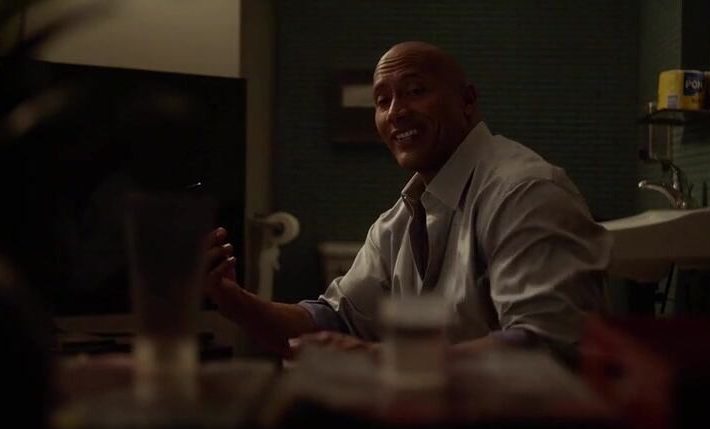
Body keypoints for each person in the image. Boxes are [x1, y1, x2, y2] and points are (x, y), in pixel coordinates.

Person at [205, 41, 611, 359]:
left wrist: (386, 361)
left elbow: (546, 345)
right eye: (382, 100)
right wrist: (233, 300)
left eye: (416, 91)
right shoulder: (399, 221)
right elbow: (334, 321)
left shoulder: (525, 193)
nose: (396, 112)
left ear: (468, 101)